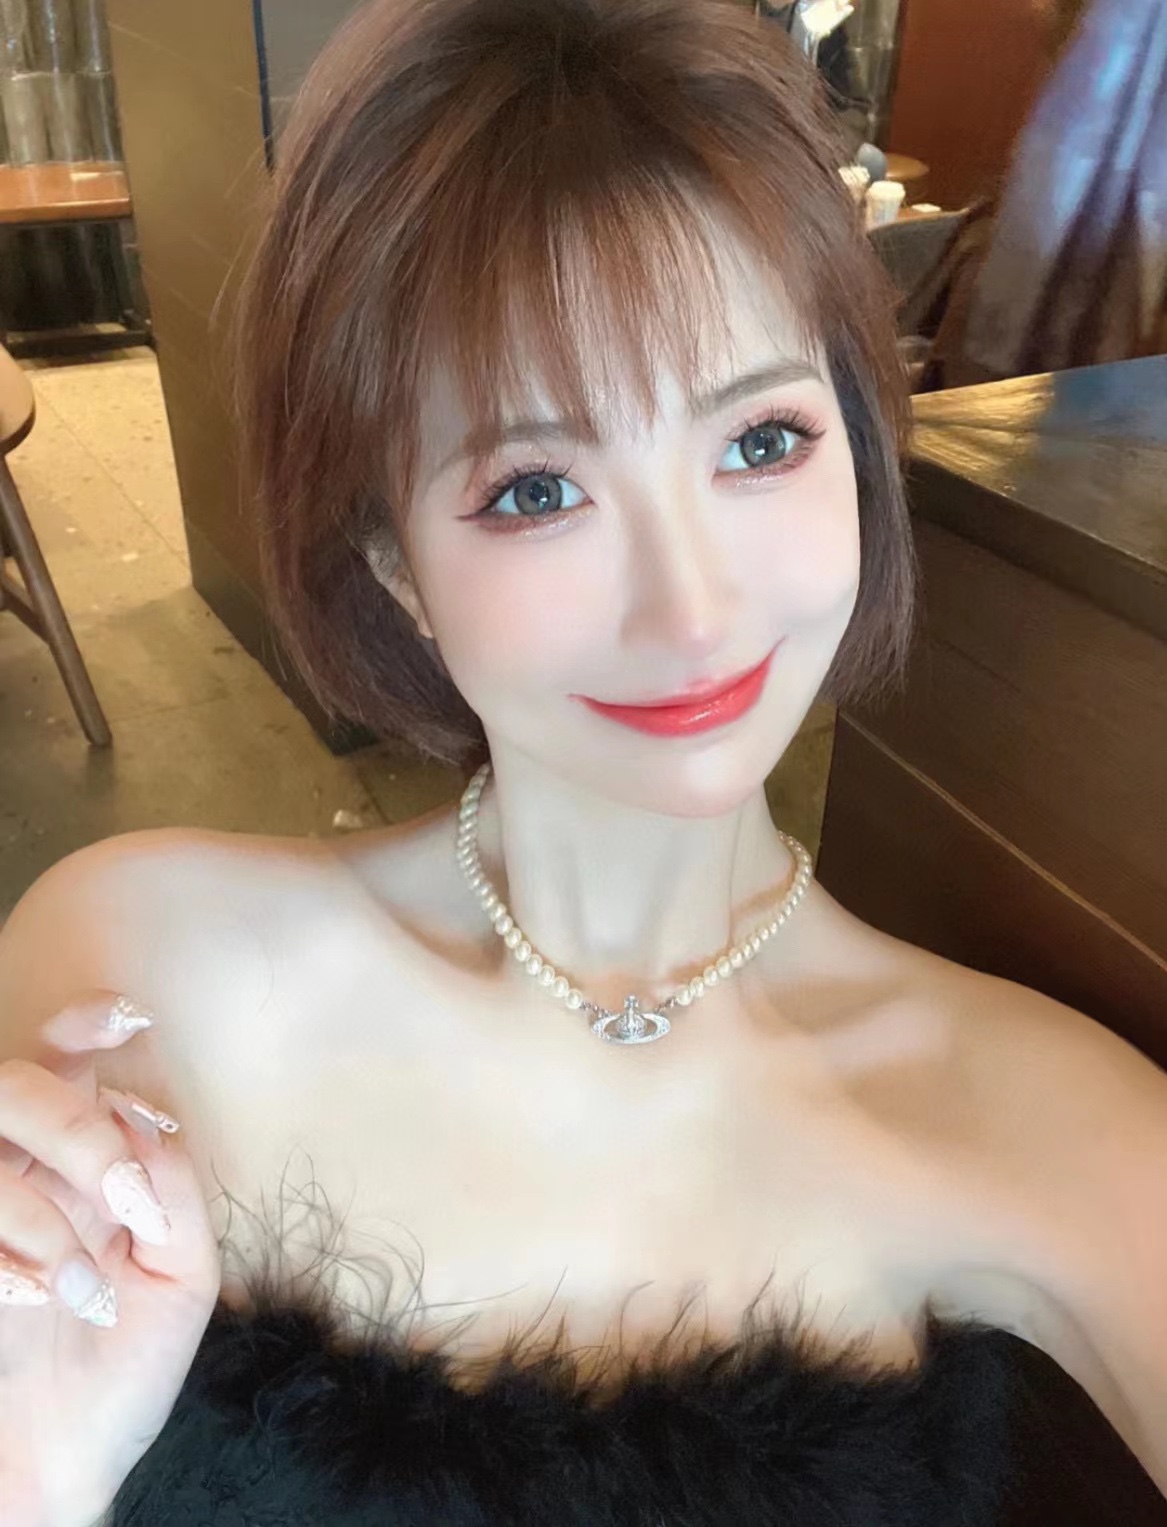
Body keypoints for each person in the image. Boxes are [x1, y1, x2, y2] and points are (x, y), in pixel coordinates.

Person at [0, 0, 1164, 1522]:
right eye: (538, 488)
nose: (694, 611)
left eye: (761, 442)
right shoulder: (142, 974)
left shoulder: (1033, 1111)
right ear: (396, 565)